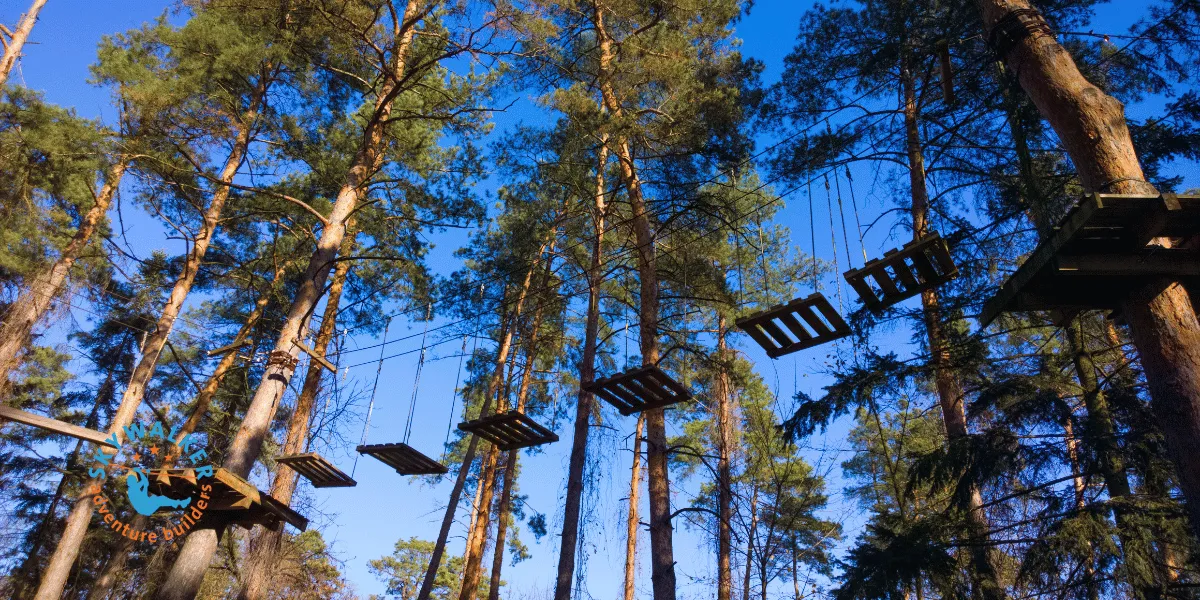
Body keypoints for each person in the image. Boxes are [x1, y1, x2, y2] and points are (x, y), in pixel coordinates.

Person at [125, 467, 192, 515]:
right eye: (133, 480)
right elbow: (144, 482)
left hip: (144, 508)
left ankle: (180, 503)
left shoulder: (133, 488)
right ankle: (181, 503)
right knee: (159, 499)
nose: (134, 482)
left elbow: (145, 484)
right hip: (145, 508)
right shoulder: (133, 489)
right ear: (130, 482)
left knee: (158, 499)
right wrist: (139, 472)